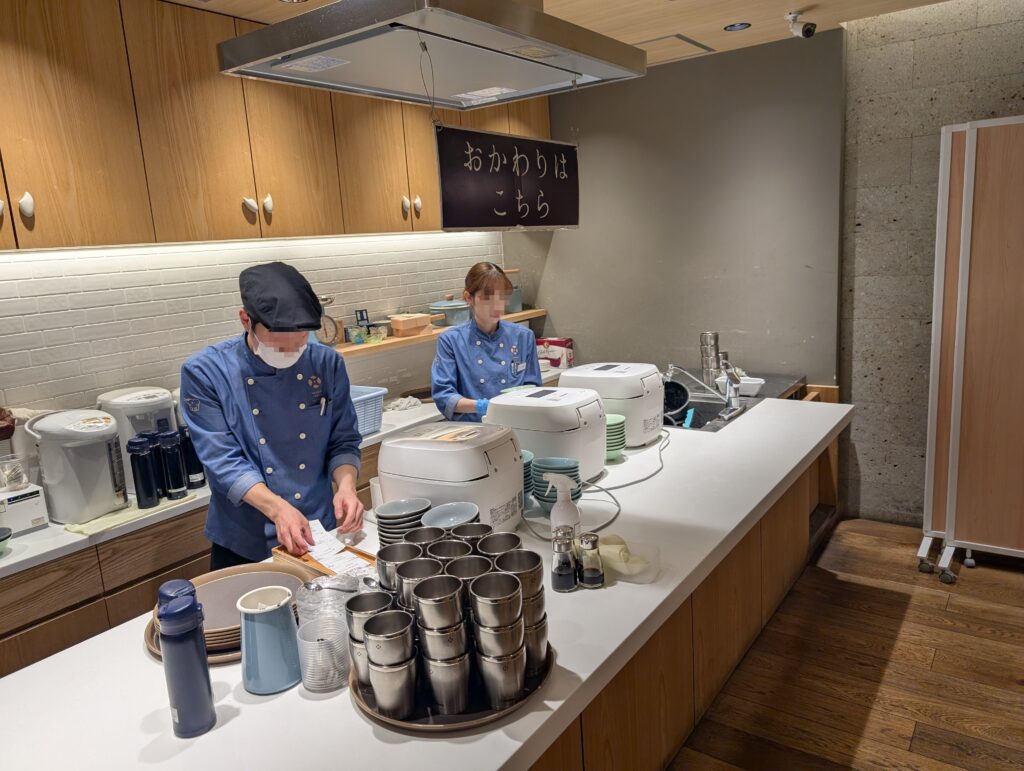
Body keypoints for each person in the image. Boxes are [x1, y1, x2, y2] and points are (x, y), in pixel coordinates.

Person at [180, 262, 364, 569]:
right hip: (246, 540)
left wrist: (346, 486)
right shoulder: (205, 372)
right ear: (246, 320)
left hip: (319, 531)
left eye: (300, 341)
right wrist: (278, 509)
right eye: (278, 344)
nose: (290, 353)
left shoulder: (326, 363)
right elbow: (223, 460)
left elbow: (343, 439)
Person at [431, 262, 543, 422]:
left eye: (501, 297)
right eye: (487, 297)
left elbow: (534, 388)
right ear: (469, 297)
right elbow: (444, 396)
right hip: (473, 429)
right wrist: (482, 406)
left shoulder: (523, 336)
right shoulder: (451, 341)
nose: (496, 305)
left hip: (517, 425)